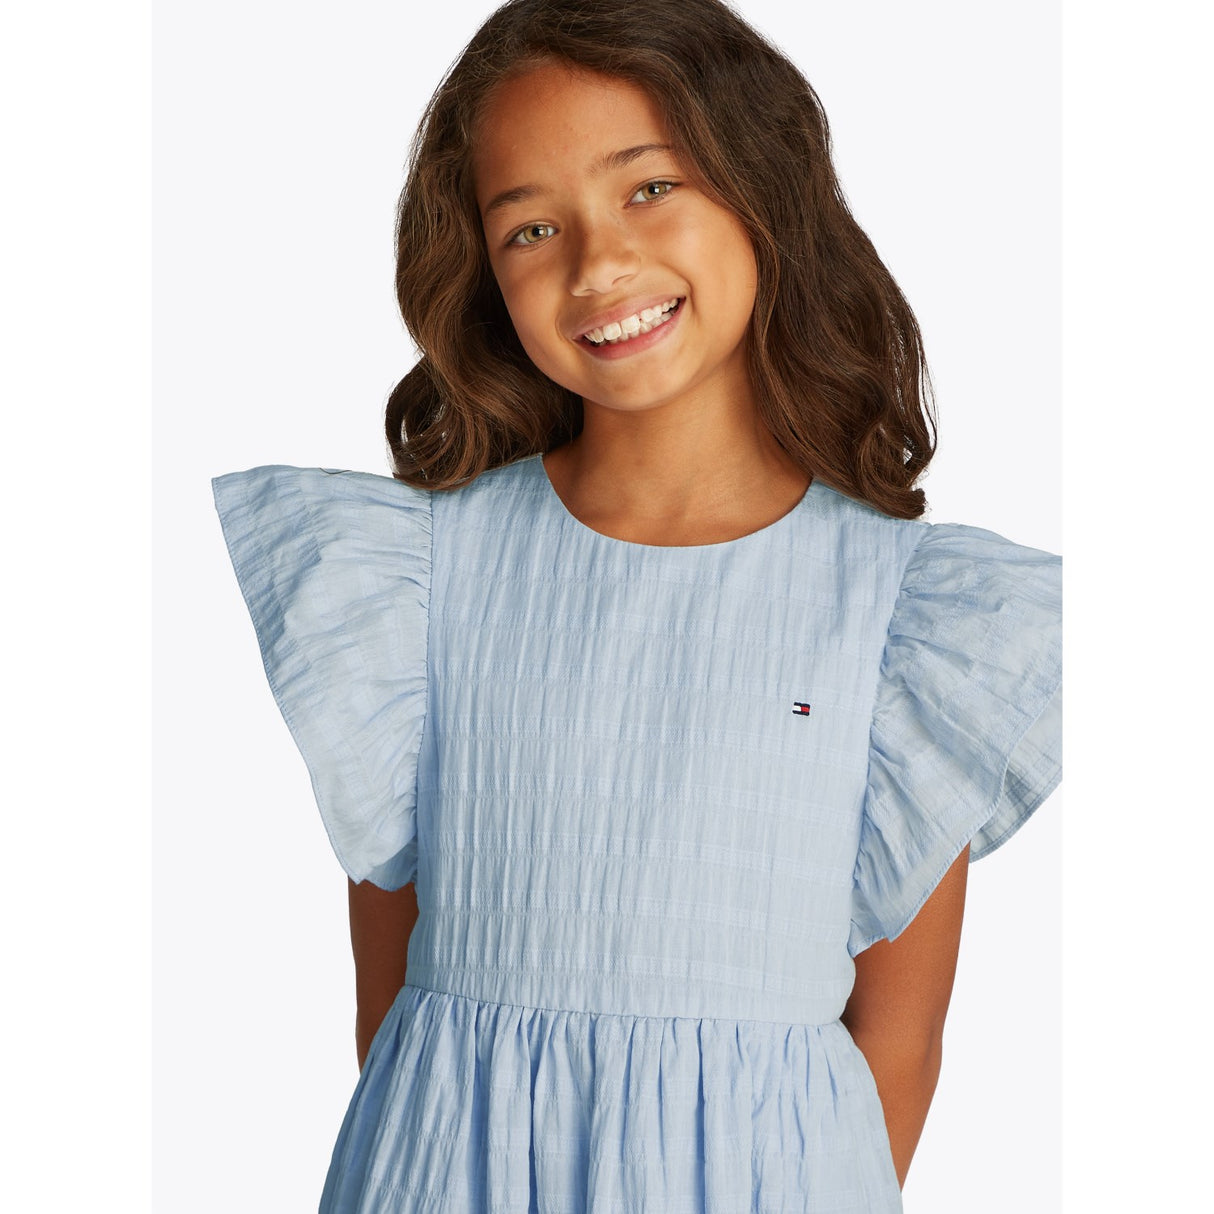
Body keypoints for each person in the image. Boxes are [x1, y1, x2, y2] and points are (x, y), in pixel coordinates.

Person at [211, 0, 1062, 1209]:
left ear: (761, 189)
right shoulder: (415, 582)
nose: (596, 265)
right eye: (530, 227)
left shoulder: (908, 617)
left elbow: (898, 1039)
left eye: (649, 188)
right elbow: (395, 1018)